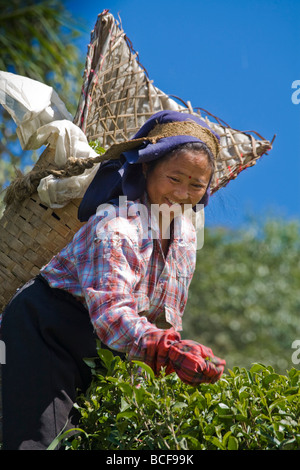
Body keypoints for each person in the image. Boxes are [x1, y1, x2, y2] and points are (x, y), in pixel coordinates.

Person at [0, 110, 226, 450]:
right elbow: (112, 315)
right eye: (174, 178)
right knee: (40, 442)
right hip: (46, 328)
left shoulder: (186, 241)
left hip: (100, 349)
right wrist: (165, 350)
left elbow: (162, 319)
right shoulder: (117, 226)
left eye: (196, 185)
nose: (183, 193)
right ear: (147, 168)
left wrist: (177, 352)